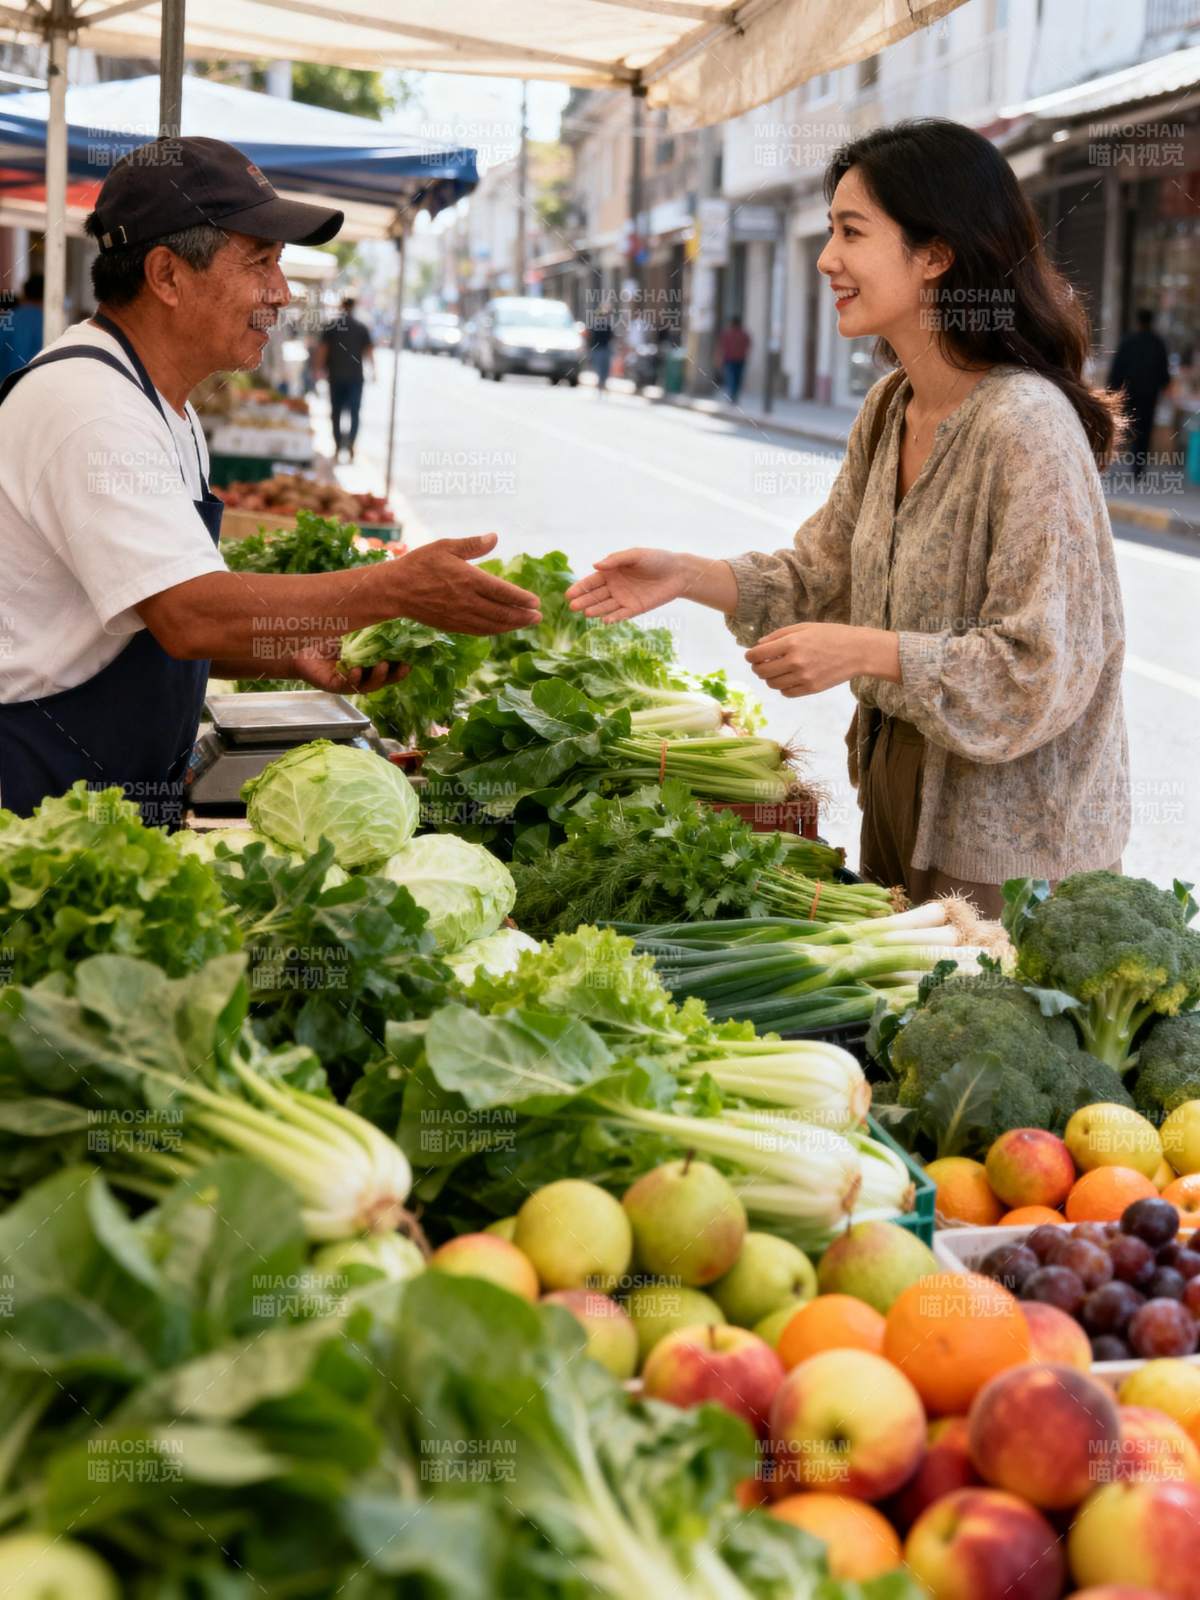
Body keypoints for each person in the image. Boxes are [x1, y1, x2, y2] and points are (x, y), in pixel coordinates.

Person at [567, 118, 1130, 916]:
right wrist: (688, 576)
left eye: (850, 231)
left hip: (1010, 848)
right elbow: (822, 573)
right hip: (898, 800)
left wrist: (869, 651)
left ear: (936, 254)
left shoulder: (1025, 425)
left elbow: (1043, 669)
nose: (828, 258)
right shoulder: (891, 406)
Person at [0, 136, 540, 823]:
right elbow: (189, 614)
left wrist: (286, 652)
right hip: (32, 805)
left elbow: (145, 612)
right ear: (167, 276)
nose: (281, 294)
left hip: (103, 803)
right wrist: (392, 589)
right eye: (260, 262)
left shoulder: (165, 405)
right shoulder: (87, 407)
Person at [1108, 308, 1172, 483]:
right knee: (1144, 430)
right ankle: (1138, 468)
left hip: (1129, 393)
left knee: (1127, 426)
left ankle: (1118, 461)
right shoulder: (1157, 343)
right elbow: (1164, 372)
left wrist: (1113, 391)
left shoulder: (1128, 341)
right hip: (1149, 395)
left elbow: (1117, 368)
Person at [315, 295, 374, 462]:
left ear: (341, 306)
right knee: (354, 413)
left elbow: (322, 350)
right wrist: (374, 370)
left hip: (336, 376)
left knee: (336, 413)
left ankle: (338, 445)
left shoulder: (332, 326)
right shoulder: (361, 327)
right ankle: (350, 445)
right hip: (355, 377)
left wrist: (318, 369)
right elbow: (369, 350)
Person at [0, 273, 44, 382]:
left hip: (5, 388)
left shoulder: (7, 319)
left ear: (25, 293)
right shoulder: (48, 322)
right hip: (32, 386)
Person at [718, 314, 751, 402]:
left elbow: (723, 347)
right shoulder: (744, 334)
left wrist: (720, 358)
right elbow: (748, 345)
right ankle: (734, 395)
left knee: (731, 378)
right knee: (737, 378)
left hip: (730, 359)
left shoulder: (727, 334)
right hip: (740, 359)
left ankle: (732, 395)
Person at [587, 303, 615, 391]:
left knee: (605, 368)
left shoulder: (607, 326)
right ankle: (600, 383)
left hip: (605, 348)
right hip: (598, 349)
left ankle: (603, 383)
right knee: (599, 367)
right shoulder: (596, 325)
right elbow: (591, 337)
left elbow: (611, 337)